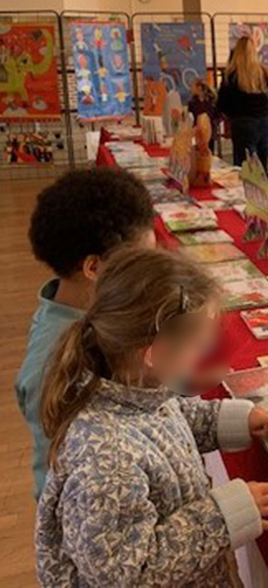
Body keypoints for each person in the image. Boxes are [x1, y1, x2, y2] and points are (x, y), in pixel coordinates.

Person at [34, 248, 268, 586]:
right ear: (154, 353)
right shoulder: (106, 462)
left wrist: (236, 420)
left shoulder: (135, 389)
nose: (201, 358)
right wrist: (223, 516)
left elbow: (170, 422)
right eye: (198, 348)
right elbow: (127, 575)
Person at [16, 169, 156, 500]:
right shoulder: (56, 364)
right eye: (141, 260)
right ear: (93, 268)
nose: (150, 272)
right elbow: (73, 486)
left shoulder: (82, 311)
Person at [217, 36, 268, 166]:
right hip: (266, 121)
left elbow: (222, 103)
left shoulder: (231, 75)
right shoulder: (266, 73)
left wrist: (230, 115)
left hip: (243, 122)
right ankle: (264, 185)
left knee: (246, 167)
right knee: (263, 164)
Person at [188, 79, 220, 152]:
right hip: (197, 131)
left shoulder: (212, 101)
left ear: (199, 87)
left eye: (193, 87)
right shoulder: (192, 103)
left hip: (210, 130)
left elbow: (218, 115)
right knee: (198, 152)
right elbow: (190, 116)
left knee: (209, 151)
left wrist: (214, 123)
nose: (191, 89)